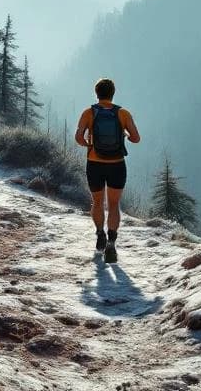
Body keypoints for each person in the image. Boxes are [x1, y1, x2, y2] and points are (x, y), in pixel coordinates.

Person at [74, 78, 140, 263]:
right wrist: (125, 134)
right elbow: (136, 138)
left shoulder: (88, 112)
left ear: (97, 93)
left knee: (97, 202)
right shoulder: (123, 113)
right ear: (113, 93)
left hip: (94, 163)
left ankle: (99, 234)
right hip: (117, 164)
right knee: (113, 204)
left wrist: (89, 144)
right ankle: (111, 243)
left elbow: (78, 137)